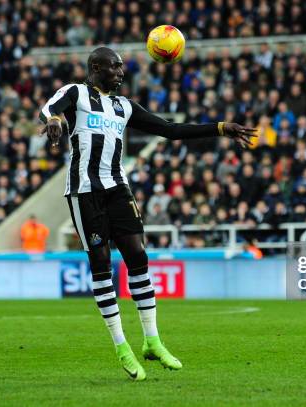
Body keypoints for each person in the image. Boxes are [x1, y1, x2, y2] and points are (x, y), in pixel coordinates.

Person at [40, 47, 256, 381]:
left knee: (138, 257)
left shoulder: (123, 107)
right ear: (95, 67)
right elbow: (50, 108)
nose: (121, 72)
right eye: (114, 67)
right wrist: (54, 120)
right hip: (84, 193)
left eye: (122, 68)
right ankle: (121, 346)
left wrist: (219, 128)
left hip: (117, 189)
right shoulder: (77, 93)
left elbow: (170, 129)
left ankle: (152, 340)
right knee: (100, 265)